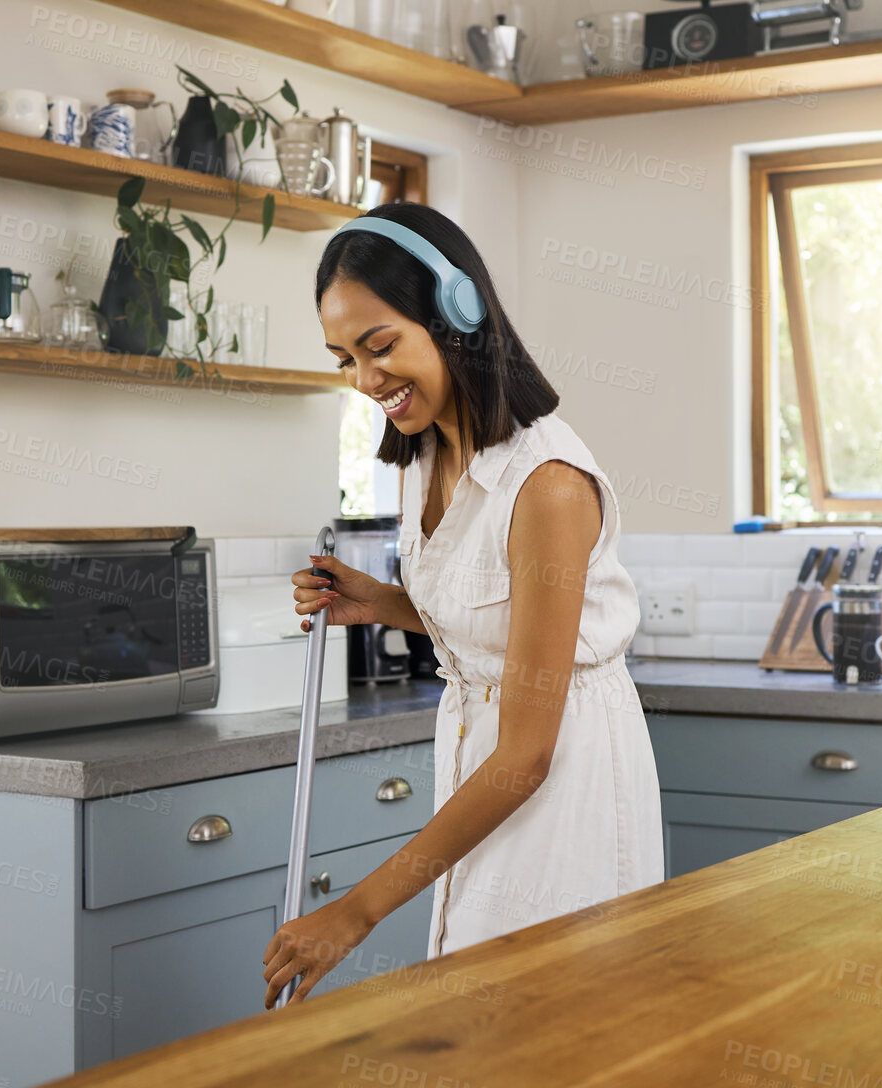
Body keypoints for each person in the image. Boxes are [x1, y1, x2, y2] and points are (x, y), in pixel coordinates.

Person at [261, 204, 664, 1006]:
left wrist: (355, 912)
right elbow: (496, 623)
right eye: (345, 358)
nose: (366, 381)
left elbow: (527, 756)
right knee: (479, 1012)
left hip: (561, 783)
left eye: (380, 347)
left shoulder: (547, 485)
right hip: (482, 766)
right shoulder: (429, 455)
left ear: (457, 315)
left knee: (539, 1026)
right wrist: (382, 604)